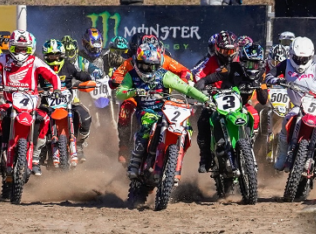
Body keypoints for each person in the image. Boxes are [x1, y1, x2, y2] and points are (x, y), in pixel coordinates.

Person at [116, 42, 208, 179]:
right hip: (145, 110)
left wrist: (205, 99)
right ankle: (134, 162)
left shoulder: (164, 75)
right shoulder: (132, 75)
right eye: (145, 65)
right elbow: (119, 93)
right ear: (137, 62)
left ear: (158, 64)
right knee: (147, 126)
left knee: (185, 127)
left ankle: (174, 162)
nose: (148, 69)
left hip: (164, 110)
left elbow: (187, 88)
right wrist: (134, 91)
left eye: (152, 66)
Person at [0, 30, 61, 174]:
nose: (20, 52)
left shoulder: (35, 61)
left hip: (30, 103)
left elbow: (53, 76)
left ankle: (35, 156)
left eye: (24, 49)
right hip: (10, 101)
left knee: (44, 118)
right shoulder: (3, 59)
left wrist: (56, 89)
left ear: (30, 49)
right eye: (17, 48)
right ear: (11, 47)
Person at [110, 33, 192, 165]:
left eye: (154, 51)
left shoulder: (166, 60)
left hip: (162, 98)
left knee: (182, 113)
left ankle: (175, 150)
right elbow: (117, 75)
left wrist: (184, 81)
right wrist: (117, 81)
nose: (150, 55)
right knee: (125, 108)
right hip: (137, 97)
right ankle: (124, 146)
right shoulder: (130, 61)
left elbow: (185, 71)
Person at [195, 43, 268, 173]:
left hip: (243, 106)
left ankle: (250, 150)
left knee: (256, 117)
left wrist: (261, 85)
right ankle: (205, 158)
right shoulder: (230, 68)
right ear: (243, 62)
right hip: (222, 105)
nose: (253, 67)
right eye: (250, 64)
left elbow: (263, 100)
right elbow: (210, 78)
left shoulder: (261, 74)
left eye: (256, 64)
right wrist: (200, 86)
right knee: (204, 119)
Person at [266, 37, 316, 178]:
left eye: (303, 58)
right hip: (298, 106)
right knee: (286, 120)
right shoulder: (286, 64)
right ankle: (282, 156)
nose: (300, 61)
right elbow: (270, 74)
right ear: (291, 55)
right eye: (297, 57)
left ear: (310, 56)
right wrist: (274, 79)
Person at [39, 39, 93, 163]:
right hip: (47, 102)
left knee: (86, 117)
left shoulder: (68, 65)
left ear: (62, 55)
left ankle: (79, 144)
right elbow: (33, 80)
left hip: (70, 100)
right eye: (50, 56)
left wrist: (88, 78)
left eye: (56, 55)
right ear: (45, 56)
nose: (54, 59)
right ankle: (41, 150)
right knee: (37, 120)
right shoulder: (41, 67)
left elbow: (79, 74)